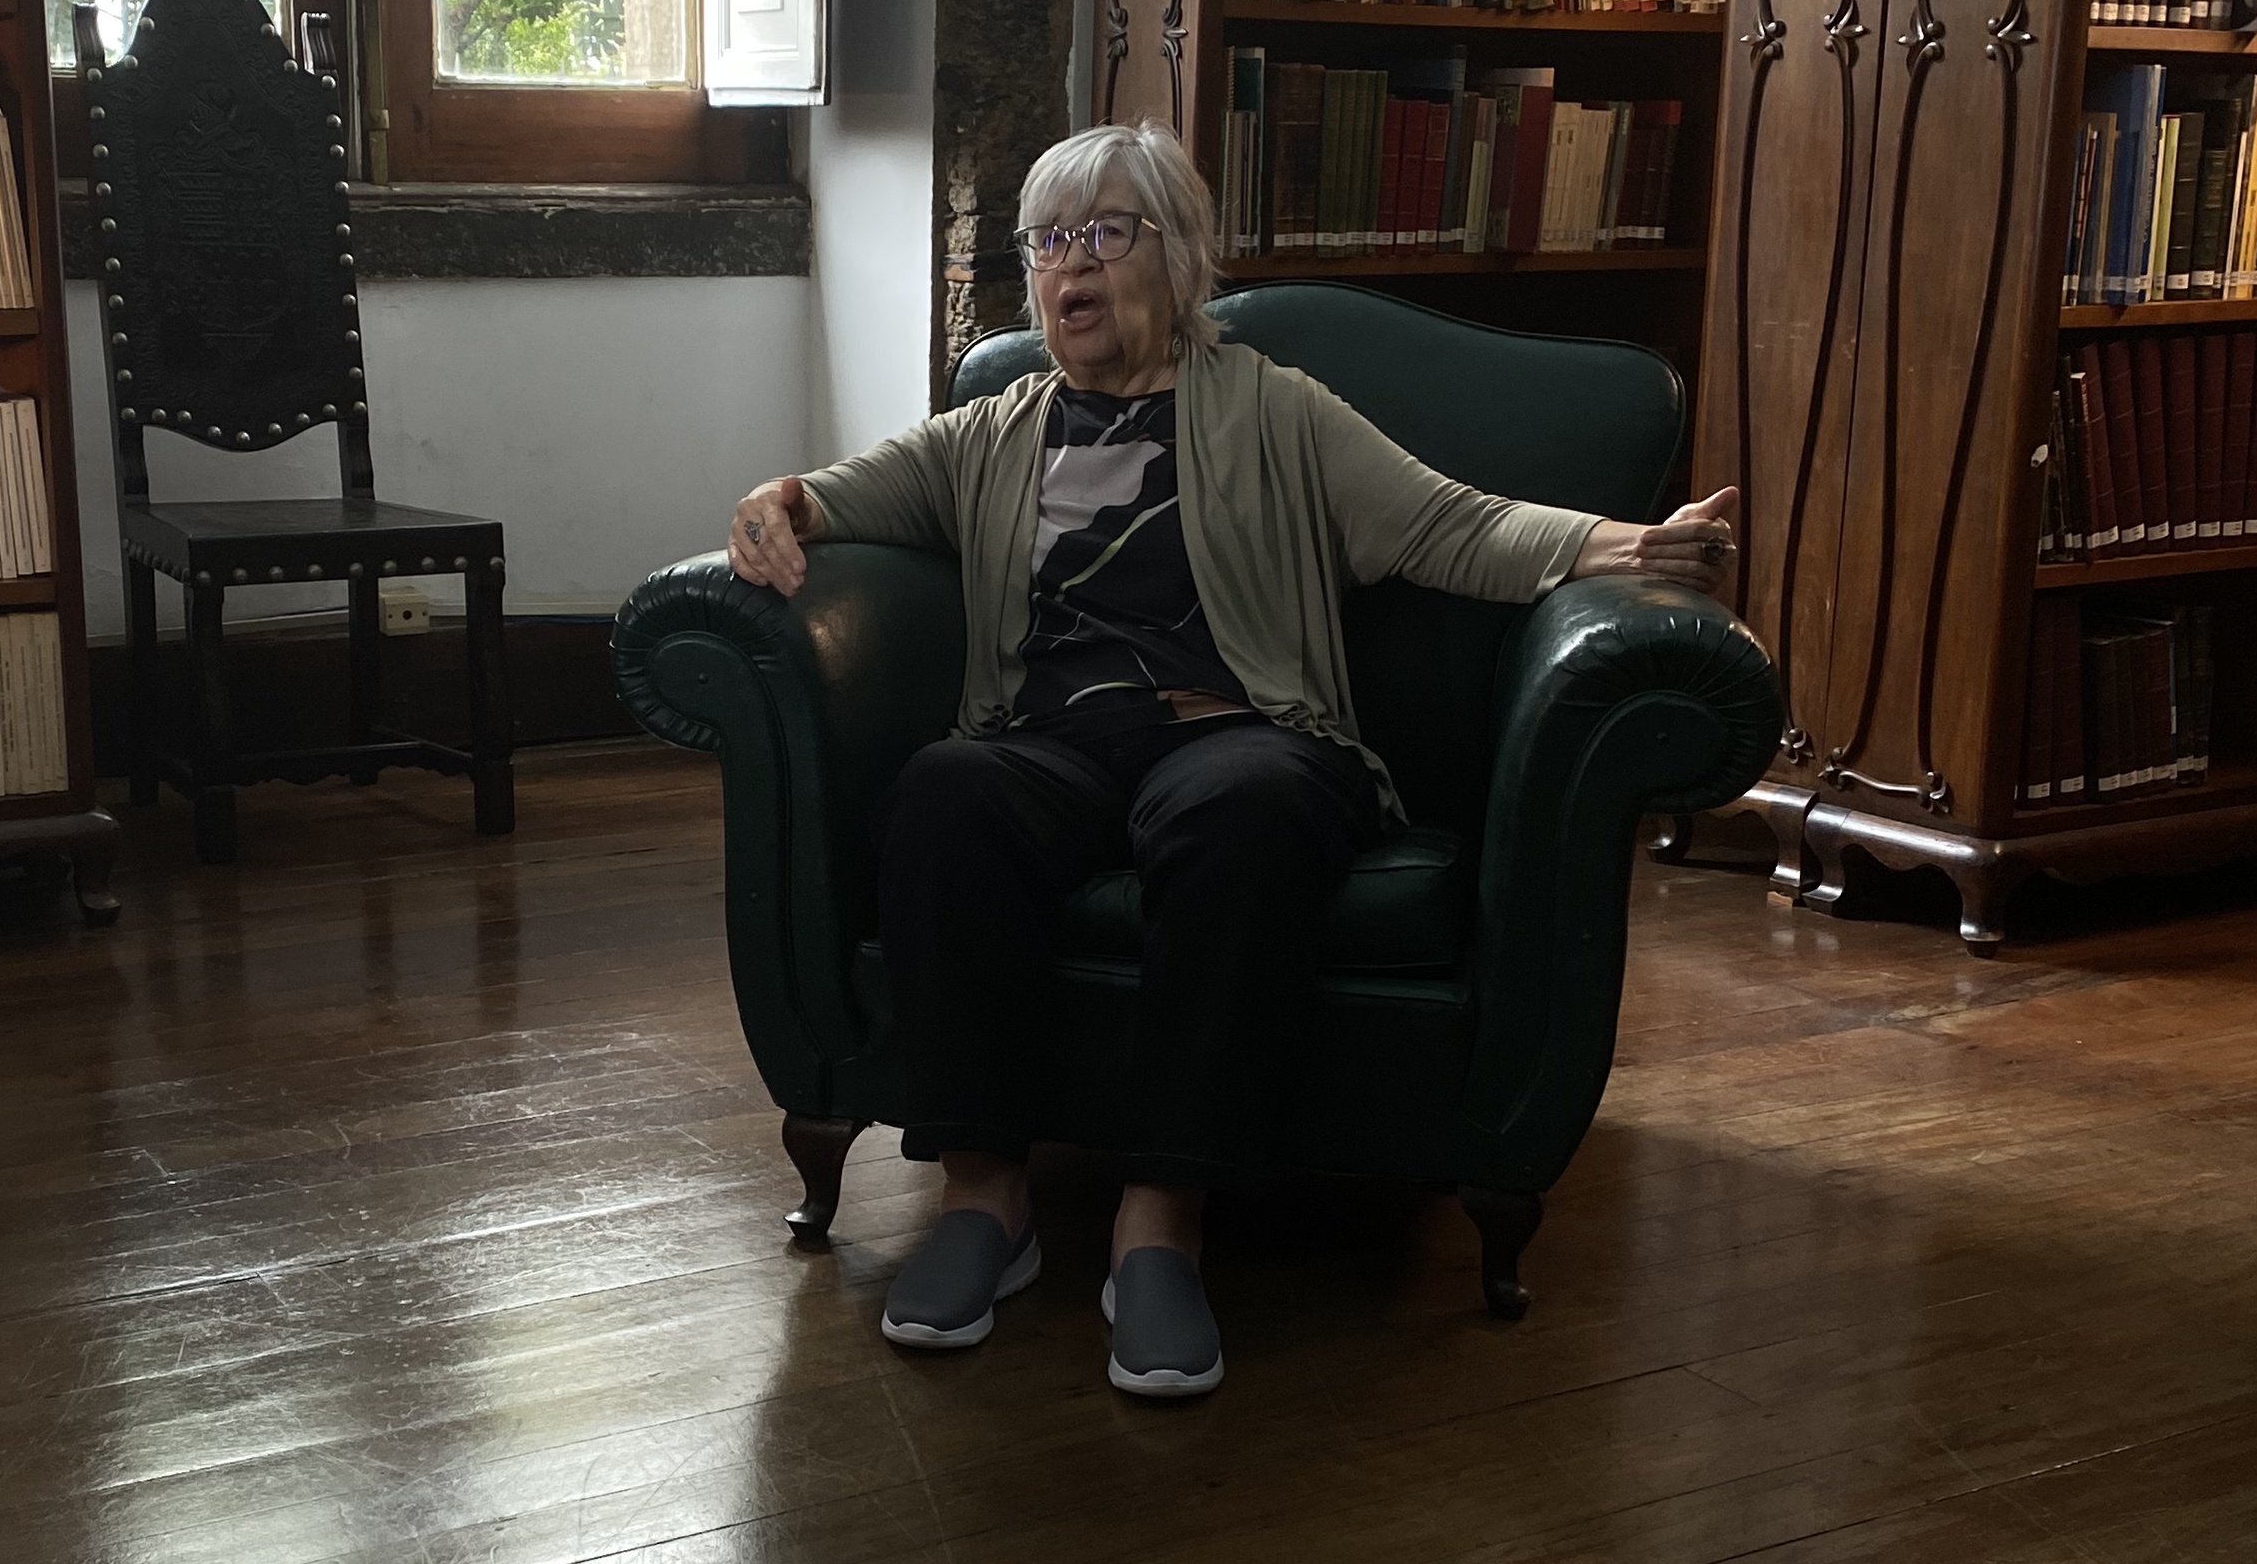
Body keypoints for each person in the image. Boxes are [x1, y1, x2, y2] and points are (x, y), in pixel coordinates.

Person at [725, 119, 1737, 1399]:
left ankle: (1161, 1224)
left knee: (1245, 811)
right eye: (1049, 240)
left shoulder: (1275, 409)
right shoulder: (994, 428)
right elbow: (839, 493)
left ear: (1182, 257)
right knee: (942, 795)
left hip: (1241, 731)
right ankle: (985, 1201)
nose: (1071, 264)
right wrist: (772, 504)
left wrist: (1630, 546)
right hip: (1046, 741)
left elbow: (1449, 524)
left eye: (1106, 232)